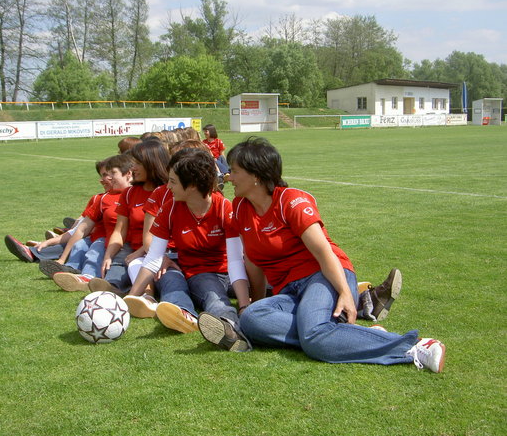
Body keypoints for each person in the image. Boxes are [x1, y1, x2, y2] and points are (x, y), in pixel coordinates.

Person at [198, 137, 446, 373]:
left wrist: (347, 294)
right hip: (289, 290)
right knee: (252, 319)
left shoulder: (291, 201)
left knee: (314, 338)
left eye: (234, 170)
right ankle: (348, 332)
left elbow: (324, 253)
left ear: (255, 175)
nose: (228, 177)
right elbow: (253, 263)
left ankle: (412, 346)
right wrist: (253, 303)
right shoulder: (241, 208)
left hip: (321, 276)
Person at [125, 148, 251, 340]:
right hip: (200, 273)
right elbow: (153, 259)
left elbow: (235, 260)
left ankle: (239, 325)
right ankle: (218, 329)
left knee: (255, 291)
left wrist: (243, 306)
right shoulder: (170, 208)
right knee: (214, 298)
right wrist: (130, 300)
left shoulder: (225, 208)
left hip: (229, 272)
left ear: (191, 185)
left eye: (173, 182)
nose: (168, 187)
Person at [45, 155, 134, 289]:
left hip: (131, 246)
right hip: (109, 243)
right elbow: (82, 228)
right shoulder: (103, 198)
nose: (107, 178)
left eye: (112, 174)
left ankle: (93, 279)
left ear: (128, 174)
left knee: (96, 249)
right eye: (106, 174)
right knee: (85, 246)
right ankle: (76, 272)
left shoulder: (139, 195)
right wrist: (62, 260)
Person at [4, 159, 112, 265]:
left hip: (104, 242)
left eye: (105, 175)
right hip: (91, 237)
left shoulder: (121, 199)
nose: (101, 180)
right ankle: (41, 248)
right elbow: (79, 227)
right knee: (77, 240)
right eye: (101, 175)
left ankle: (36, 251)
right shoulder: (98, 199)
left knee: (79, 243)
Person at [97, 139, 170, 295]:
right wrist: (108, 255)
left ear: (152, 163)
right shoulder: (130, 193)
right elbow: (119, 230)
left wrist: (140, 252)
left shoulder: (169, 192)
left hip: (159, 250)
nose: (133, 168)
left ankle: (144, 293)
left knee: (132, 260)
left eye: (137, 163)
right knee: (119, 258)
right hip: (134, 248)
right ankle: (111, 288)